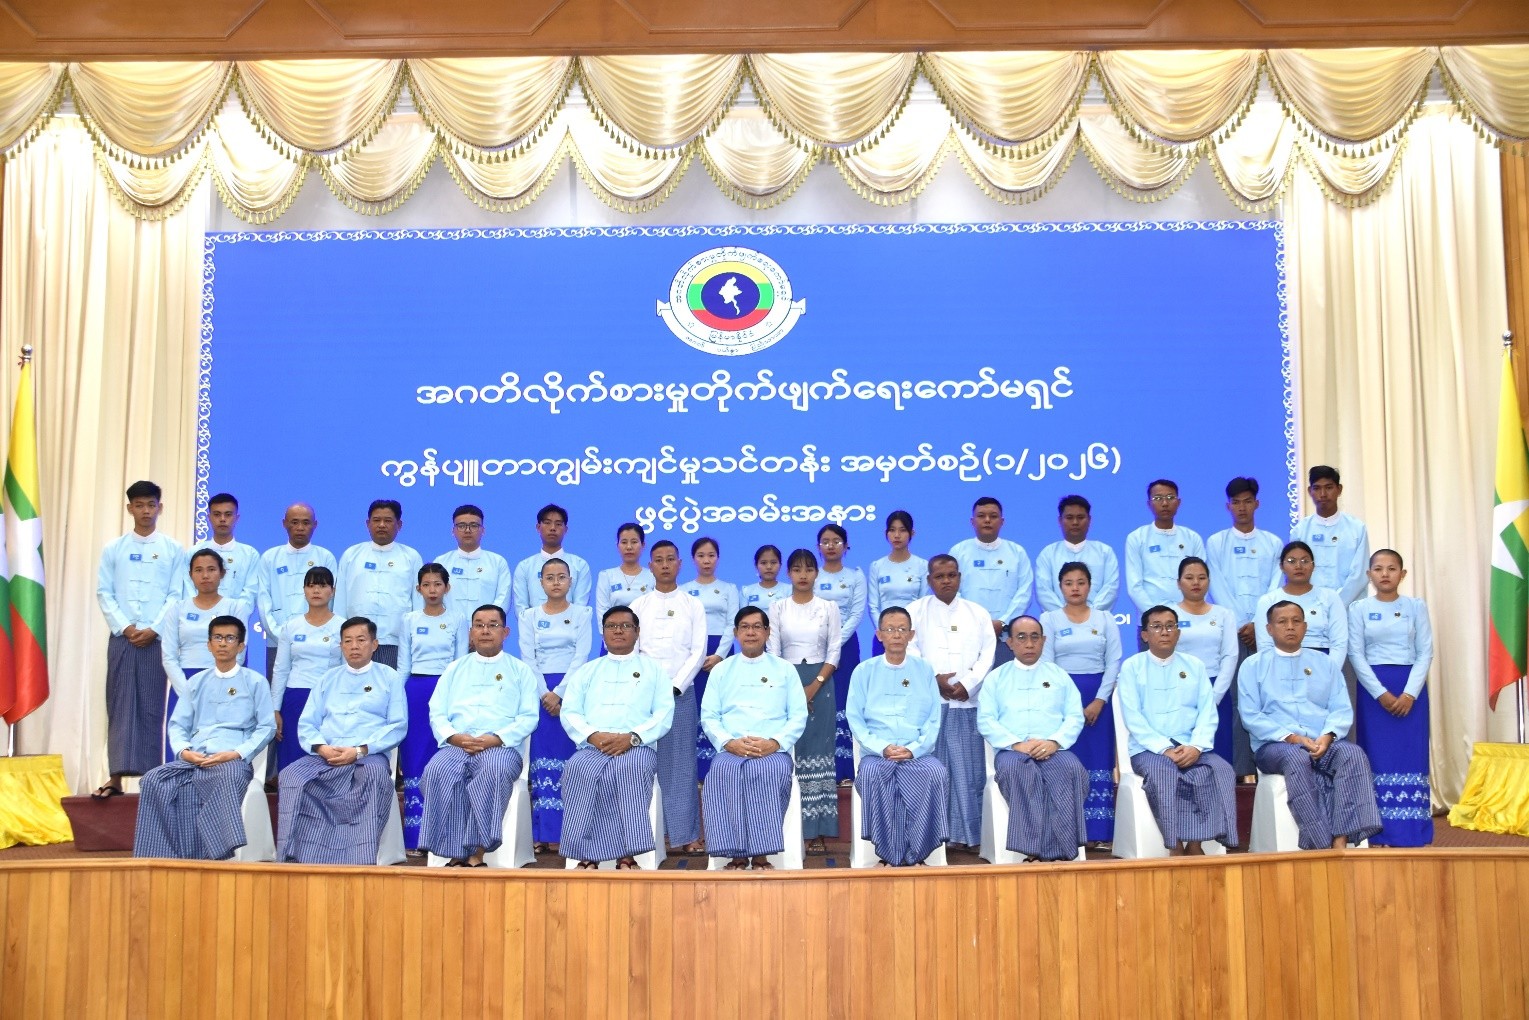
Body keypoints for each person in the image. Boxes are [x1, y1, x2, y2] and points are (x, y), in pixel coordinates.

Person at [1240, 601, 1382, 849]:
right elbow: (1251, 716)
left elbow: (1340, 708)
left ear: (1305, 627)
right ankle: (1319, 842)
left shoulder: (1324, 663)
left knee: (1352, 754)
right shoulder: (1253, 666)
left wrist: (1328, 736)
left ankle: (1342, 837)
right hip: (1275, 747)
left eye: (1296, 621)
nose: (1290, 627)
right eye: (1282, 622)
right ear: (1269, 629)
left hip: (1321, 742)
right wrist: (1293, 738)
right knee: (1297, 758)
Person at [133, 616, 275, 860]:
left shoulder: (255, 682)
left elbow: (267, 727)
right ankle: (160, 856)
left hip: (232, 760)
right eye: (217, 638)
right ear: (209, 645)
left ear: (241, 645)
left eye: (230, 638)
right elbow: (178, 725)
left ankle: (215, 854)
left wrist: (237, 753)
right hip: (196, 760)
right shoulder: (196, 682)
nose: (223, 643)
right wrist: (185, 752)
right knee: (153, 780)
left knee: (226, 778)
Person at [416, 604, 541, 867]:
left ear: (505, 632)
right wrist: (454, 737)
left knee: (493, 771)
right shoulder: (455, 668)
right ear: (471, 632)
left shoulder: (520, 670)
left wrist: (497, 738)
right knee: (437, 771)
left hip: (501, 747)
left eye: (493, 625)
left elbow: (529, 717)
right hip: (457, 744)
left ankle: (476, 852)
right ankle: (455, 850)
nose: (485, 631)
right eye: (479, 625)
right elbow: (436, 711)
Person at [276, 616, 407, 865]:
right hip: (327, 754)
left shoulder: (389, 677)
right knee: (290, 776)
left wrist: (359, 751)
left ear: (374, 644)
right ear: (340, 646)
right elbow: (307, 723)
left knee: (373, 776)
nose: (354, 646)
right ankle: (299, 853)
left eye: (361, 640)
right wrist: (321, 748)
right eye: (348, 641)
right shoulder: (328, 678)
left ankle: (360, 856)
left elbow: (397, 726)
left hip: (367, 755)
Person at [558, 606, 676, 869]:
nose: (618, 631)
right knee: (578, 769)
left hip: (637, 746)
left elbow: (664, 713)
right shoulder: (587, 670)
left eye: (625, 626)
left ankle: (627, 854)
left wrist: (633, 738)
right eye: (611, 626)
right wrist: (593, 736)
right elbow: (570, 711)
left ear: (637, 632)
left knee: (629, 770)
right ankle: (586, 854)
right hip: (593, 746)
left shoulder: (654, 670)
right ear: (603, 632)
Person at [1116, 606, 1239, 854]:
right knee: (1164, 773)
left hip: (1191, 745)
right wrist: (1164, 748)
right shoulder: (1132, 667)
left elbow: (1207, 712)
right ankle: (1175, 844)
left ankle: (1196, 843)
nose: (1165, 632)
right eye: (1157, 627)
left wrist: (1196, 746)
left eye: (1170, 626)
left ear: (1178, 633)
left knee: (1221, 770)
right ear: (1144, 635)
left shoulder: (1194, 666)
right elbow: (1133, 717)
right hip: (1148, 750)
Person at [95, 480, 188, 798]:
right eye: (139, 505)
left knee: (152, 706)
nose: (145, 511)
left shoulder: (173, 549)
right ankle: (115, 777)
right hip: (123, 637)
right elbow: (104, 592)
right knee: (119, 704)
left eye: (151, 505)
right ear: (129, 508)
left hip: (157, 639)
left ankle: (151, 776)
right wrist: (125, 627)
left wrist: (155, 628)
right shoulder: (114, 549)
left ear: (160, 508)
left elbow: (176, 594)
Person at [700, 606, 808, 870]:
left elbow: (798, 716)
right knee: (720, 771)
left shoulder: (784, 669)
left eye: (757, 627)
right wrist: (729, 742)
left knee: (768, 771)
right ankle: (735, 854)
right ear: (736, 633)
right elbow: (709, 716)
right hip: (731, 749)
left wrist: (775, 743)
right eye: (745, 627)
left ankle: (761, 855)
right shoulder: (722, 670)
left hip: (772, 750)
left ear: (767, 632)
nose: (751, 632)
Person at [976, 615, 1088, 862]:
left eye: (1034, 637)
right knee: (1022, 773)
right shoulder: (996, 678)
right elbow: (986, 720)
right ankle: (1041, 851)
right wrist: (1017, 744)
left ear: (1043, 641)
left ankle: (1052, 850)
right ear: (1010, 643)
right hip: (1012, 752)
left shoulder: (1058, 675)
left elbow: (1074, 716)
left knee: (1072, 770)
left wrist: (1054, 742)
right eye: (1021, 638)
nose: (1029, 644)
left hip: (1053, 749)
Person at [847, 607, 949, 867]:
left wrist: (914, 749)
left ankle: (917, 853)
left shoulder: (924, 670)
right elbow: (855, 719)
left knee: (936, 773)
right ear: (879, 634)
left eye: (902, 629)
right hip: (878, 754)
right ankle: (888, 854)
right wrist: (882, 748)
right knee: (872, 774)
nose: (896, 635)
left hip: (916, 754)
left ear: (911, 635)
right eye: (890, 629)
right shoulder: (864, 671)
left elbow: (933, 719)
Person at [908, 554, 997, 852]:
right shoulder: (915, 612)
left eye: (951, 575)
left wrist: (968, 685)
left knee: (969, 773)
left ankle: (968, 836)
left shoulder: (978, 613)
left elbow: (987, 654)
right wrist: (934, 679)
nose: (946, 581)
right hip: (932, 705)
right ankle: (937, 835)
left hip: (967, 704)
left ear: (959, 577)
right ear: (929, 580)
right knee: (937, 770)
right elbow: (911, 650)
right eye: (939, 576)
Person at [1347, 550, 1434, 846]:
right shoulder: (1359, 608)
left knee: (1411, 756)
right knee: (1377, 757)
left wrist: (1409, 693)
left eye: (1392, 568)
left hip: (1412, 691)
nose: (1385, 574)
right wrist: (1380, 693)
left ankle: (1413, 831)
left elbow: (1425, 652)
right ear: (1369, 575)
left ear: (1402, 574)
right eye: (1378, 569)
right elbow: (1356, 654)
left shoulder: (1415, 606)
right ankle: (1377, 830)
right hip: (1374, 692)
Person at [631, 540, 707, 853]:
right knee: (642, 762)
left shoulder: (693, 604)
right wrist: (649, 686)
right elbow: (632, 650)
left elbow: (698, 651)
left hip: (681, 694)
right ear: (650, 566)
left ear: (679, 564)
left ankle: (685, 835)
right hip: (643, 696)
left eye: (670, 559)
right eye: (658, 560)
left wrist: (676, 685)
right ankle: (647, 834)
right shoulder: (638, 605)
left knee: (681, 765)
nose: (664, 565)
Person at [1038, 561, 1122, 845]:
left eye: (1081, 582)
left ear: (1090, 586)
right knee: (1067, 760)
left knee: (1098, 760)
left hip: (1099, 699)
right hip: (1062, 699)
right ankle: (1067, 830)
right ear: (1060, 587)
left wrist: (1100, 699)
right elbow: (1048, 664)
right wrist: (1071, 707)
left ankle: (1098, 833)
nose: (1075, 588)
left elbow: (1114, 662)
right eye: (1068, 583)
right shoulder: (1049, 619)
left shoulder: (1105, 619)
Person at [1206, 476, 1282, 777]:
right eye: (1236, 502)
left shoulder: (1273, 543)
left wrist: (1259, 624)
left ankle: (1269, 766)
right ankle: (1239, 770)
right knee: (1238, 699)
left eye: (1247, 501)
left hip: (1267, 632)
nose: (1242, 508)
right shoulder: (1216, 543)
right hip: (1234, 632)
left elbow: (1275, 586)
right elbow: (1218, 585)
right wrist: (1242, 623)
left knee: (1268, 696)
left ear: (1257, 504)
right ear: (1228, 506)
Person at [766, 548, 842, 852]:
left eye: (809, 569)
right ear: (788, 573)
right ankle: (786, 826)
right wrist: (796, 690)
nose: (803, 575)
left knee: (818, 752)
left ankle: (818, 830)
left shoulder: (829, 607)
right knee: (790, 749)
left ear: (816, 573)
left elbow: (834, 650)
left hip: (821, 683)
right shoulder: (777, 607)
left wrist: (814, 685)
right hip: (786, 682)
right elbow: (773, 651)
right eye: (797, 569)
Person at [519, 556, 593, 851]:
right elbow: (528, 657)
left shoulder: (582, 614)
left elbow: (581, 655)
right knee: (542, 762)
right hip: (539, 693)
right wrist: (545, 694)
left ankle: (570, 833)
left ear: (570, 582)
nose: (556, 582)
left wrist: (561, 692)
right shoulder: (528, 616)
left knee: (569, 761)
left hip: (571, 692)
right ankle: (542, 834)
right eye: (549, 578)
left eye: (561, 577)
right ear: (541, 583)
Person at [396, 563, 470, 853]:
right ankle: (415, 838)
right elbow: (403, 664)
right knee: (415, 760)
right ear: (418, 589)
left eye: (437, 584)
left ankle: (445, 835)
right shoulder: (409, 619)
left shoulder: (458, 619)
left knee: (443, 759)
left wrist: (457, 697)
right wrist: (398, 698)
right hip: (415, 692)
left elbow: (460, 662)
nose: (432, 590)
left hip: (447, 691)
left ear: (447, 588)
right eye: (426, 585)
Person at [160, 549, 254, 760]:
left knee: (221, 753)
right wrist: (188, 692)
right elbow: (169, 655)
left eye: (211, 569)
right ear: (190, 575)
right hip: (184, 683)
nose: (205, 576)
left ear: (222, 573)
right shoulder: (177, 608)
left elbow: (239, 651)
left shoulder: (235, 607)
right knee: (183, 749)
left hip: (225, 684)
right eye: (198, 570)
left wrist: (217, 686)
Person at [334, 499, 423, 668]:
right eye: (376, 520)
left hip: (396, 642)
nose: (382, 525)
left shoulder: (411, 557)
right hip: (356, 643)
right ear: (368, 524)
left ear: (399, 525)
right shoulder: (351, 555)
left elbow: (418, 603)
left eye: (388, 520)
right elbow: (340, 601)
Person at [253, 501, 337, 681]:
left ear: (315, 525)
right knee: (277, 692)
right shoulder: (270, 558)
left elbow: (330, 601)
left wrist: (314, 633)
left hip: (316, 642)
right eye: (294, 522)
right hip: (276, 641)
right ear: (284, 523)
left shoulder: (325, 557)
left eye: (306, 523)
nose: (300, 528)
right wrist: (280, 636)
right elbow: (263, 601)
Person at [271, 566, 342, 772]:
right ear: (304, 591)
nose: (316, 591)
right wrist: (275, 709)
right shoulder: (291, 626)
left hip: (330, 699)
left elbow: (346, 669)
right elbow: (281, 669)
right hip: (296, 698)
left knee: (326, 758)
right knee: (292, 756)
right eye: (311, 586)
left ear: (333, 591)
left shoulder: (343, 626)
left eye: (322, 585)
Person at [948, 496, 1033, 665]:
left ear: (1002, 521)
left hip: (1007, 637)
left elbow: (1024, 592)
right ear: (972, 521)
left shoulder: (1017, 552)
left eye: (993, 516)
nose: (987, 520)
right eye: (981, 516)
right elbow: (951, 592)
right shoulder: (958, 552)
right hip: (968, 635)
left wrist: (1003, 622)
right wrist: (975, 621)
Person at [1174, 557, 1239, 766]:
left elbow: (1230, 656)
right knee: (1183, 755)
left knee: (1219, 755)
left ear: (1209, 582)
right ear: (1178, 583)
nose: (1196, 582)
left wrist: (1214, 696)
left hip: (1216, 688)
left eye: (1202, 578)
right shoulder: (1169, 614)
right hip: (1179, 689)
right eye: (1189, 578)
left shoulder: (1224, 614)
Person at [684, 536, 739, 783]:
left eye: (711, 555)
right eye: (701, 556)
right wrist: (696, 656)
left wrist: (719, 655)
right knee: (695, 707)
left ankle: (721, 766)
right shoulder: (684, 590)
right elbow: (684, 626)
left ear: (718, 558)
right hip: (692, 652)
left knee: (720, 706)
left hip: (720, 652)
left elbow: (732, 625)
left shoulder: (729, 589)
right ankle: (696, 770)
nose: (706, 560)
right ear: (693, 559)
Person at [816, 524, 866, 786]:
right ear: (818, 547)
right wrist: (824, 642)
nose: (831, 546)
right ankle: (821, 766)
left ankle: (846, 768)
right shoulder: (812, 575)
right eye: (825, 541)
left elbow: (857, 614)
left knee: (845, 702)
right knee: (821, 702)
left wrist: (836, 641)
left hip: (846, 647)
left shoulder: (856, 576)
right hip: (817, 646)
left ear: (846, 546)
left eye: (836, 541)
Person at [1253, 542, 1347, 671]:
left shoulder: (1330, 597)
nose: (1298, 566)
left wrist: (1330, 673)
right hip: (1280, 664)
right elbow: (1265, 646)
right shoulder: (1268, 600)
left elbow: (1339, 643)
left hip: (1323, 663)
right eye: (1291, 561)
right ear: (1281, 566)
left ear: (1313, 566)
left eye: (1305, 561)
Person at [1125, 479, 1207, 625]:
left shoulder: (1192, 538)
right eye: (1158, 498)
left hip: (1188, 619)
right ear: (1148, 504)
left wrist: (1190, 612)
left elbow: (1202, 581)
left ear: (1178, 502)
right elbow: (1134, 586)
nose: (1164, 503)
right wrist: (1156, 616)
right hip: (1150, 621)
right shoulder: (1137, 538)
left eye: (1170, 497)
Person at [1289, 466, 1371, 604]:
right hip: (1309, 607)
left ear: (1339, 489)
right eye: (1317, 488)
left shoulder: (1357, 528)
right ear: (1309, 491)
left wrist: (1336, 603)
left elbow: (1360, 575)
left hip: (1348, 608)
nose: (1323, 494)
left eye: (1328, 487)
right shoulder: (1300, 530)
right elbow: (1294, 572)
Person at [1034, 496, 1120, 612]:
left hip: (1097, 620)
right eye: (1069, 518)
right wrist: (1064, 615)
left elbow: (1111, 589)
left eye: (1080, 517)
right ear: (1060, 520)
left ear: (1089, 520)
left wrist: (1090, 615)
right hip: (1056, 620)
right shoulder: (1048, 554)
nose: (1075, 522)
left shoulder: (1105, 552)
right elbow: (1044, 592)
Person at [866, 511, 929, 656]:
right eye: (892, 530)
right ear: (886, 533)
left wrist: (906, 631)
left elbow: (922, 603)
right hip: (882, 637)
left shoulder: (922, 565)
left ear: (912, 533)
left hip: (912, 636)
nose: (897, 535)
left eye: (902, 530)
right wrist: (885, 631)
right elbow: (873, 606)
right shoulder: (877, 566)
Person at [512, 503, 592, 615]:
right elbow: (521, 609)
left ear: (566, 529)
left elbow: (580, 606)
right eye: (547, 523)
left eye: (558, 524)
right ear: (538, 527)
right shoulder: (524, 567)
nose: (553, 528)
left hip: (570, 624)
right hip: (534, 625)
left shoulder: (580, 565)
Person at [434, 504, 511, 619]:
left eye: (474, 526)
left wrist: (485, 622)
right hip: (448, 626)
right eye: (461, 526)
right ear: (453, 531)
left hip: (486, 627)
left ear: (483, 530)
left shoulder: (497, 562)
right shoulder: (441, 562)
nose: (467, 530)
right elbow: (433, 596)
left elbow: (503, 598)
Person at [187, 493, 259, 601]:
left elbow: (250, 593)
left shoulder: (250, 555)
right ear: (209, 518)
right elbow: (189, 590)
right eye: (217, 514)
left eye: (228, 514)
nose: (222, 519)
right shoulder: (193, 552)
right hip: (199, 611)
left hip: (236, 612)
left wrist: (232, 611)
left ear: (237, 518)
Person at [594, 522, 655, 624]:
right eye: (624, 542)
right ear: (617, 545)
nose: (629, 547)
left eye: (634, 542)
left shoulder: (653, 576)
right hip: (614, 632)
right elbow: (602, 612)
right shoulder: (606, 576)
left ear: (643, 545)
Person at [741, 544, 787, 612]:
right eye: (763, 563)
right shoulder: (746, 591)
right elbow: (742, 616)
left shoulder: (789, 590)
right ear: (756, 566)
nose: (769, 567)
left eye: (773, 562)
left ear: (780, 565)